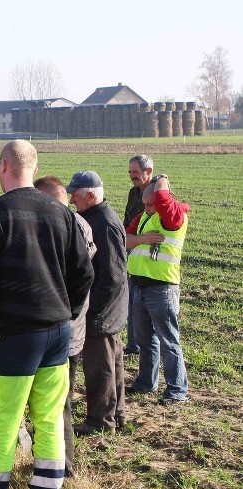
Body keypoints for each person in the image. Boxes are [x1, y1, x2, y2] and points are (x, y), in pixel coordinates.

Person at [0, 140, 93, 489]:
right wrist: (66, 312)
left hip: (15, 335)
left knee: (5, 420)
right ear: (33, 168)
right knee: (50, 417)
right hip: (57, 332)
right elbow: (84, 272)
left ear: (3, 165)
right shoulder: (62, 212)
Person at [34, 175, 96, 474]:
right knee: (56, 404)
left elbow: (80, 279)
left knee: (58, 405)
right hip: (67, 329)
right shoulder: (76, 225)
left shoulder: (68, 227)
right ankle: (54, 463)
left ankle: (62, 466)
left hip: (63, 333)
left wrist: (64, 314)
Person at [67, 171, 129, 434]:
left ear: (91, 195)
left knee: (99, 366)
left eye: (76, 196)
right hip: (109, 308)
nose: (71, 201)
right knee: (112, 362)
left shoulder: (103, 223)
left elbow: (113, 275)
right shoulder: (98, 217)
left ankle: (100, 421)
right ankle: (117, 413)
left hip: (102, 309)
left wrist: (93, 308)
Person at [125, 174, 190, 405]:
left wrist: (162, 178)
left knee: (168, 341)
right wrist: (142, 239)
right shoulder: (145, 217)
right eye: (145, 204)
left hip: (162, 287)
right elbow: (125, 239)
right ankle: (146, 383)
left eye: (151, 203)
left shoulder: (172, 216)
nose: (148, 208)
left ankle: (176, 390)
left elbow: (163, 198)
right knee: (145, 341)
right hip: (140, 285)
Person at [123, 155, 155, 355]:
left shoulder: (158, 195)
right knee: (130, 298)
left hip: (150, 254)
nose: (132, 176)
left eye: (135, 172)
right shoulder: (133, 193)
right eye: (130, 172)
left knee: (144, 301)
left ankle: (146, 345)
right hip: (131, 248)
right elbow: (127, 220)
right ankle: (133, 344)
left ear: (148, 171)